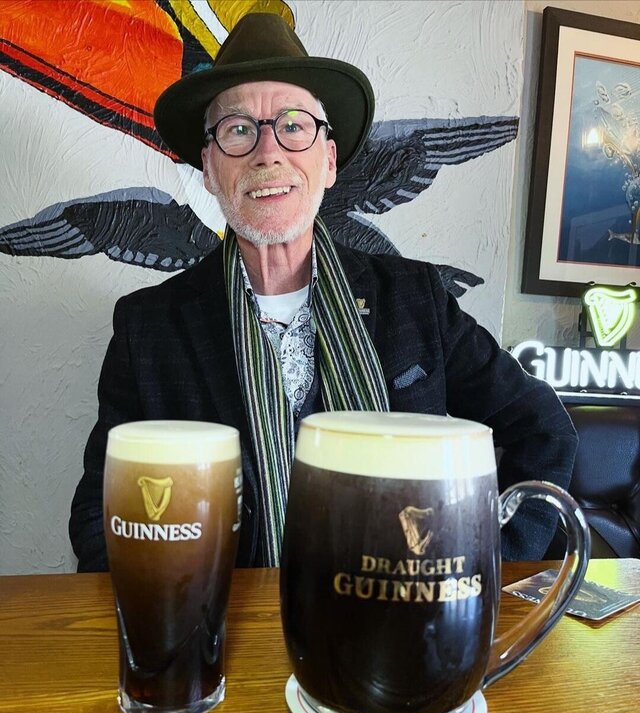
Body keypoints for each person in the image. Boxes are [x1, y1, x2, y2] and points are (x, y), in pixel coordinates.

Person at [70, 12, 577, 571]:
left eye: (293, 125)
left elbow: (542, 428)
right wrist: (170, 627)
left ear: (328, 161)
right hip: (226, 639)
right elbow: (100, 514)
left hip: (392, 632)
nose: (268, 153)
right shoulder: (149, 327)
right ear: (209, 169)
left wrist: (484, 569)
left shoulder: (415, 298)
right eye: (238, 129)